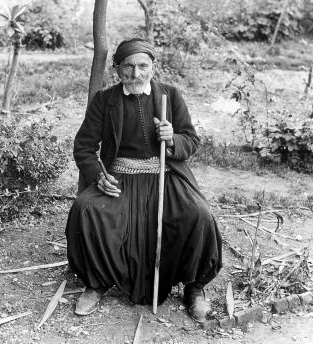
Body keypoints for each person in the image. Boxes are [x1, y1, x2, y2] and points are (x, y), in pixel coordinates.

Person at [65, 38, 222, 322]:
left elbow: (191, 140)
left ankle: (194, 287)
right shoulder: (105, 100)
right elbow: (84, 147)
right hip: (120, 176)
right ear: (117, 69)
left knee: (199, 214)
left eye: (142, 66)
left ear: (153, 67)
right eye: (128, 67)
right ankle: (97, 283)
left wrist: (171, 138)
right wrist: (99, 176)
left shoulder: (170, 96)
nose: (136, 74)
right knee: (86, 209)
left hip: (166, 174)